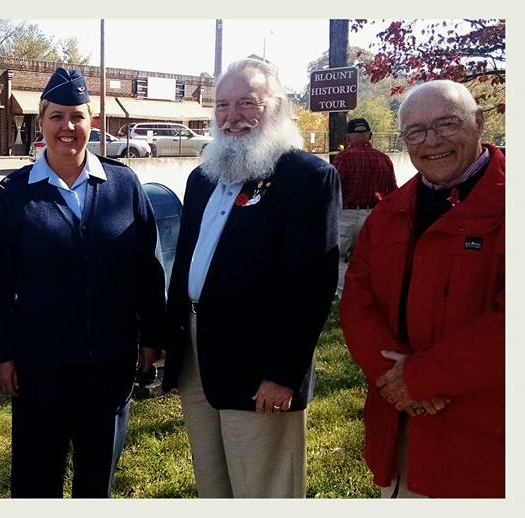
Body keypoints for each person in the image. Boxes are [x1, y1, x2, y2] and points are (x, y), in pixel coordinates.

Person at [162, 58, 340, 498]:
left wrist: (283, 373)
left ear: (276, 108)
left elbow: (309, 287)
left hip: (259, 360)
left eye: (247, 103)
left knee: (263, 489)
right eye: (222, 105)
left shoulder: (306, 178)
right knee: (213, 483)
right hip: (197, 355)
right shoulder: (202, 178)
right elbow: (185, 263)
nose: (232, 116)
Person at [0, 67, 165, 498]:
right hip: (39, 369)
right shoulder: (14, 193)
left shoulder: (123, 184)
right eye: (57, 117)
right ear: (41, 122)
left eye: (77, 117)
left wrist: (152, 337)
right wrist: (2, 353)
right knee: (35, 481)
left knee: (96, 482)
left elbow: (148, 266)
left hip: (109, 365)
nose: (68, 127)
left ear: (91, 122)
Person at [340, 80, 504, 498]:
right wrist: (395, 380)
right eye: (415, 132)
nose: (431, 142)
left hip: (487, 443)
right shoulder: (390, 211)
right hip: (401, 424)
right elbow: (358, 303)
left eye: (447, 124)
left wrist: (421, 377)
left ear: (479, 123)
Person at [332, 117, 397, 262]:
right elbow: (393, 192)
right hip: (375, 216)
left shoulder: (343, 159)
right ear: (370, 136)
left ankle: (342, 286)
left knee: (339, 260)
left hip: (347, 216)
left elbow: (333, 191)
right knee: (367, 261)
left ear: (347, 137)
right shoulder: (384, 159)